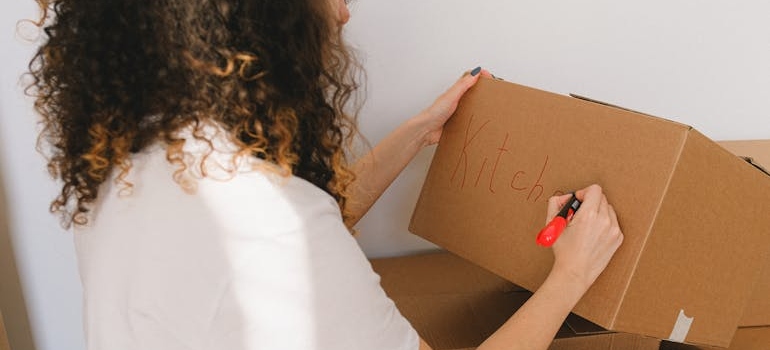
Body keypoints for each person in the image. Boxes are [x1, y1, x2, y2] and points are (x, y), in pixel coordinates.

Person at [27, 0, 623, 349]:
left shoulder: (133, 159)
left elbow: (301, 237)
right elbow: (291, 241)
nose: (341, 13)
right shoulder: (271, 226)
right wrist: (571, 275)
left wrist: (418, 131)